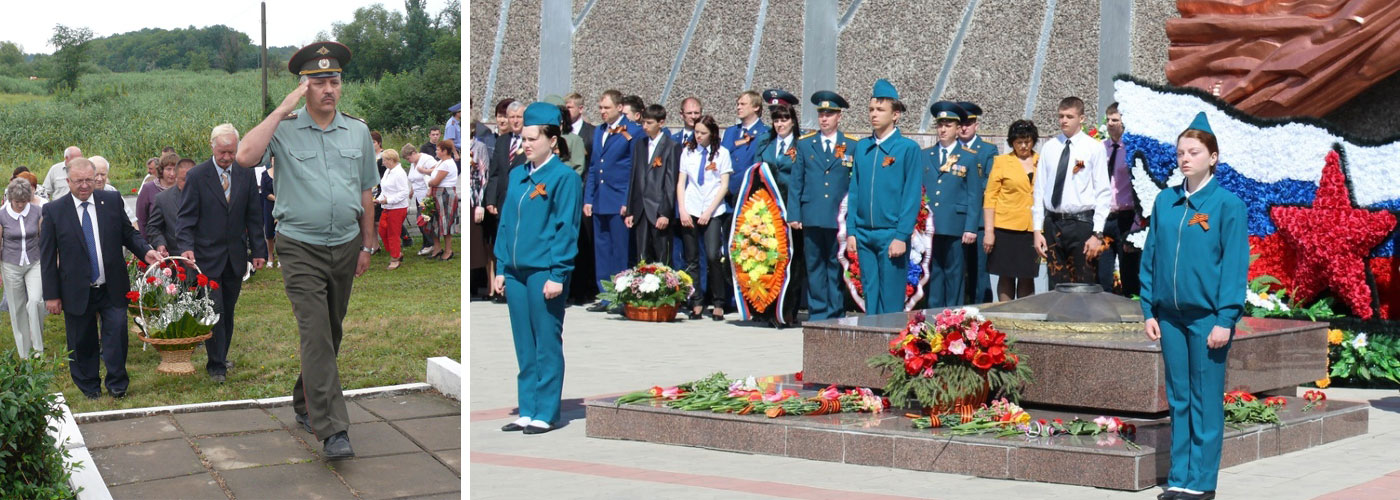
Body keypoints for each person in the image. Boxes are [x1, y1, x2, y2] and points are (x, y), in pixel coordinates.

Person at [233, 41, 378, 459]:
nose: (328, 89)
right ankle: (333, 430)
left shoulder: (358, 131)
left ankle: (305, 399)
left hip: (346, 244)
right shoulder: (285, 127)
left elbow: (367, 192)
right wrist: (280, 110)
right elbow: (244, 156)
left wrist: (367, 244)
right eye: (318, 83)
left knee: (330, 334)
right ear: (303, 88)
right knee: (315, 333)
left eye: (334, 81)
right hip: (300, 247)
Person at [1140, 112, 1247, 500]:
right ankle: (1179, 477)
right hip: (1168, 317)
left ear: (1213, 157)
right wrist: (1149, 309)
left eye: (1194, 152)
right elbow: (1150, 257)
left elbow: (1235, 266)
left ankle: (1202, 483)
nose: (1185, 158)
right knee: (1179, 398)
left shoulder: (1226, 205)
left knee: (1205, 400)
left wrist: (1225, 318)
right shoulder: (1164, 201)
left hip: (1207, 320)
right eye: (1181, 152)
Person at [493, 101, 581, 435]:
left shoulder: (563, 178)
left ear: (552, 139)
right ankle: (526, 408)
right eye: (524, 138)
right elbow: (505, 224)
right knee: (524, 343)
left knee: (546, 340)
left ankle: (546, 410)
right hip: (515, 272)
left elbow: (566, 229)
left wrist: (559, 273)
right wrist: (501, 266)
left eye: (533, 139)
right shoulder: (517, 174)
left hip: (544, 271)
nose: (526, 144)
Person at [40, 158, 160, 399]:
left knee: (116, 335)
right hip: (75, 288)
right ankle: (89, 386)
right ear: (68, 181)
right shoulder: (54, 211)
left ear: (96, 179)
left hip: (111, 285)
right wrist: (51, 295)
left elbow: (128, 232)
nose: (84, 186)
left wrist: (145, 250)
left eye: (89, 180)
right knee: (82, 340)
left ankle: (117, 383)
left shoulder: (112, 201)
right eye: (78, 181)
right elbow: (47, 255)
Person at [176, 123, 268, 384]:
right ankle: (216, 365)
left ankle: (221, 355)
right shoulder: (197, 176)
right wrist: (186, 248)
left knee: (228, 309)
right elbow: (185, 219)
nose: (227, 157)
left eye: (231, 151)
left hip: (235, 257)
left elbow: (253, 215)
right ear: (212, 147)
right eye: (222, 152)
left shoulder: (246, 174)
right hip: (207, 257)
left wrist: (258, 250)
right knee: (214, 310)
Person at [845, 79, 922, 315]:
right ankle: (872, 344)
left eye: (880, 110)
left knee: (890, 298)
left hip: (891, 234)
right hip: (865, 233)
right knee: (870, 294)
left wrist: (901, 235)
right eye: (871, 110)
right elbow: (855, 190)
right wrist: (851, 231)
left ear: (896, 114)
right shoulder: (863, 147)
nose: (874, 115)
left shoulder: (907, 149)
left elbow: (911, 196)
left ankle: (891, 346)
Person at [789, 90, 856, 320]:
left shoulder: (851, 145)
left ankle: (835, 310)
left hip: (838, 217)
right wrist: (794, 214)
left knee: (836, 264)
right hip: (813, 214)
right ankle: (818, 312)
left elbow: (853, 184)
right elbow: (797, 181)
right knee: (814, 265)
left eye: (829, 114)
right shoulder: (806, 144)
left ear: (839, 117)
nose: (824, 119)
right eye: (821, 114)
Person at [1031, 96, 1111, 286]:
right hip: (1054, 222)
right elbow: (1040, 190)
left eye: (1069, 116)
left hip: (1081, 222)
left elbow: (1103, 192)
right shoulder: (1050, 147)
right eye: (1061, 116)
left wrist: (1097, 233)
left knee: (1083, 281)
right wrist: (1037, 229)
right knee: (1056, 282)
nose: (1064, 121)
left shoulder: (1094, 148)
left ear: (1081, 119)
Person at [583, 89, 641, 312]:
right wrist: (589, 197)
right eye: (600, 108)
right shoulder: (599, 131)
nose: (602, 112)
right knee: (603, 249)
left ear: (619, 108)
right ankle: (606, 295)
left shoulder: (633, 132)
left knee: (620, 250)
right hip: (600, 199)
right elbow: (595, 166)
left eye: (606, 108)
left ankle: (622, 295)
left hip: (619, 199)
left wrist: (629, 200)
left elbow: (634, 170)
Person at [923, 101, 984, 308]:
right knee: (933, 272)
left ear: (958, 129)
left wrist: (970, 227)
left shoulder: (968, 158)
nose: (942, 129)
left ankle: (953, 317)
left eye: (948, 125)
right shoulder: (926, 155)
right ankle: (932, 315)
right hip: (931, 225)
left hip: (956, 225)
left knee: (955, 273)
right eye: (940, 125)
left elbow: (974, 195)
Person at [676, 115, 732, 321]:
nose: (698, 136)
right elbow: (681, 182)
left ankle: (718, 301)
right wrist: (682, 209)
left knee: (712, 256)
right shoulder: (687, 152)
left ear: (712, 134)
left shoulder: (722, 153)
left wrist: (709, 211)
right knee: (691, 259)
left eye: (703, 133)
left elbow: (723, 185)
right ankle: (696, 301)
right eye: (696, 132)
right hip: (691, 207)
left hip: (713, 209)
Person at [754, 89, 803, 325]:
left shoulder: (800, 145)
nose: (779, 123)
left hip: (790, 210)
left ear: (793, 121)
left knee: (792, 262)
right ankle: (767, 308)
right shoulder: (765, 144)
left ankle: (788, 309)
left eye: (784, 119)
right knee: (769, 259)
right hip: (767, 211)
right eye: (776, 119)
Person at [983, 120, 1040, 301]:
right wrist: (989, 232)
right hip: (1005, 227)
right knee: (1005, 274)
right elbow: (990, 197)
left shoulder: (1042, 160)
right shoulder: (1001, 162)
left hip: (1031, 228)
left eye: (1028, 141)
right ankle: (1005, 314)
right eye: (1019, 142)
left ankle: (1025, 317)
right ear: (1012, 143)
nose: (1024, 146)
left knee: (1027, 275)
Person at [625, 104, 678, 264]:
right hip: (641, 209)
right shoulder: (639, 145)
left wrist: (665, 212)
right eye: (643, 123)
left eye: (649, 123)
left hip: (658, 208)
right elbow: (634, 177)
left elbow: (670, 182)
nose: (645, 127)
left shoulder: (671, 146)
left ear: (660, 123)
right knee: (641, 256)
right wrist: (630, 210)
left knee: (661, 257)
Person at [1098, 102, 1141, 297]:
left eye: (1115, 120)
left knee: (1129, 272)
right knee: (1102, 275)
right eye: (1108, 120)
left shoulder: (1133, 149)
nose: (1110, 124)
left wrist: (1137, 223)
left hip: (1126, 217)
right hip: (1105, 216)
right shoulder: (1100, 148)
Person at [956, 101, 997, 304]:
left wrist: (957, 189)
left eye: (969, 123)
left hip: (979, 221)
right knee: (956, 271)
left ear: (976, 125)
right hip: (955, 218)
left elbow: (987, 183)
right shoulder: (950, 150)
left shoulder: (988, 150)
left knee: (979, 272)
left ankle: (981, 315)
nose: (964, 127)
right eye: (961, 123)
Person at [1, 178, 45, 357]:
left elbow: (44, 238)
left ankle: (38, 350)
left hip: (35, 262)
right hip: (10, 265)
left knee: (35, 302)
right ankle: (25, 354)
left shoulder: (37, 211)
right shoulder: (2, 215)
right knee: (17, 308)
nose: (20, 205)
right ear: (10, 198)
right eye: (16, 201)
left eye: (23, 201)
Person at [722, 91, 770, 199]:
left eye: (743, 104)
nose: (738, 107)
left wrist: (733, 187)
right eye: (737, 104)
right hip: (724, 196)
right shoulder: (730, 132)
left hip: (748, 195)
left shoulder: (765, 134)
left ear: (756, 107)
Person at [144, 158, 196, 255]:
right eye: (183, 180)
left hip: (206, 259)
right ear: (176, 177)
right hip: (178, 260)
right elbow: (153, 227)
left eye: (191, 179)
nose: (188, 183)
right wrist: (160, 244)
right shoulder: (163, 199)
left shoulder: (207, 196)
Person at [375, 148, 411, 270]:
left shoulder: (399, 173)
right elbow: (384, 189)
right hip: (387, 206)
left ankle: (395, 258)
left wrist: (389, 200)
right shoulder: (388, 171)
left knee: (393, 233)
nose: (382, 162)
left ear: (391, 160)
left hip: (397, 208)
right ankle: (396, 252)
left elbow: (404, 192)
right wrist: (378, 199)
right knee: (382, 230)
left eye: (384, 160)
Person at [426, 140, 459, 261]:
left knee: (445, 223)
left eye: (438, 149)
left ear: (445, 151)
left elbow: (435, 181)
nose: (436, 151)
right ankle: (437, 248)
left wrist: (429, 183)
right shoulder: (441, 162)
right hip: (437, 193)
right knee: (434, 221)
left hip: (445, 193)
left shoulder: (448, 164)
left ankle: (448, 250)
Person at [137, 153, 178, 234]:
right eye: (168, 169)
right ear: (161, 170)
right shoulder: (148, 188)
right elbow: (141, 220)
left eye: (175, 169)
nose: (172, 173)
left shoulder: (183, 188)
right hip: (153, 240)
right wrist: (145, 244)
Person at [565, 92, 594, 166]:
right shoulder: (558, 131)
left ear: (580, 109)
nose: (565, 111)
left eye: (569, 107)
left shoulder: (593, 133)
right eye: (564, 108)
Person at [260, 161, 278, 268]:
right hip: (269, 205)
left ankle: (281, 258)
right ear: (271, 161)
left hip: (283, 205)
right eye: (274, 159)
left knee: (281, 232)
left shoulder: (284, 175)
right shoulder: (265, 174)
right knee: (269, 232)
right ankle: (270, 257)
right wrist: (277, 198)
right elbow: (265, 192)